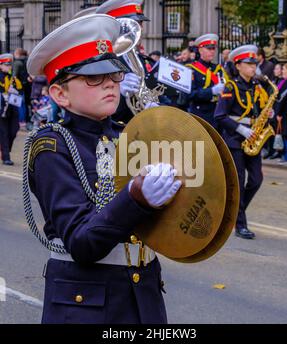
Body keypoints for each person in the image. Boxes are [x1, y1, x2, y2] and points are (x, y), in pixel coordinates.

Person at [26, 13, 182, 324]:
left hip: (143, 294)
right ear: (60, 94)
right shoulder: (52, 147)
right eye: (93, 77)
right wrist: (136, 197)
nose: (109, 83)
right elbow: (83, 243)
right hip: (86, 304)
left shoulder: (127, 135)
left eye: (113, 75)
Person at [214, 45, 270, 239]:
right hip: (235, 140)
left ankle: (235, 211)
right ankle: (240, 225)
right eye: (249, 64)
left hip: (253, 139)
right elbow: (219, 115)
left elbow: (258, 111)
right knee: (238, 182)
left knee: (256, 180)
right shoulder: (231, 87)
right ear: (238, 65)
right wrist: (241, 129)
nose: (253, 68)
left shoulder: (257, 86)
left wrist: (269, 114)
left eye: (254, 64)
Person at [186, 34, 229, 128]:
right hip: (201, 116)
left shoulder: (218, 68)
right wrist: (212, 91)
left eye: (213, 48)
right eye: (209, 49)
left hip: (217, 115)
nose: (212, 51)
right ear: (200, 50)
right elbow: (190, 94)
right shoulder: (191, 69)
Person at [0, 53, 22, 166]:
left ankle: (4, 150)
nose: (9, 67)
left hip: (12, 107)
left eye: (10, 65)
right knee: (3, 133)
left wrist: (15, 88)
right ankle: (6, 157)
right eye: (6, 65)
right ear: (1, 65)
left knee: (14, 130)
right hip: (2, 107)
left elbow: (21, 89)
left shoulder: (12, 77)